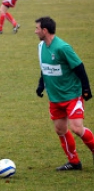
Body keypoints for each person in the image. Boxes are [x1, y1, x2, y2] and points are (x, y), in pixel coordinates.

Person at [35, 16, 93, 171]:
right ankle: (74, 162)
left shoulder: (63, 47)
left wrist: (86, 89)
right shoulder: (41, 47)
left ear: (45, 30)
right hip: (54, 97)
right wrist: (41, 85)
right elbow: (45, 67)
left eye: (37, 29)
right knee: (60, 130)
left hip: (72, 95)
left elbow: (79, 67)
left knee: (77, 128)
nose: (35, 32)